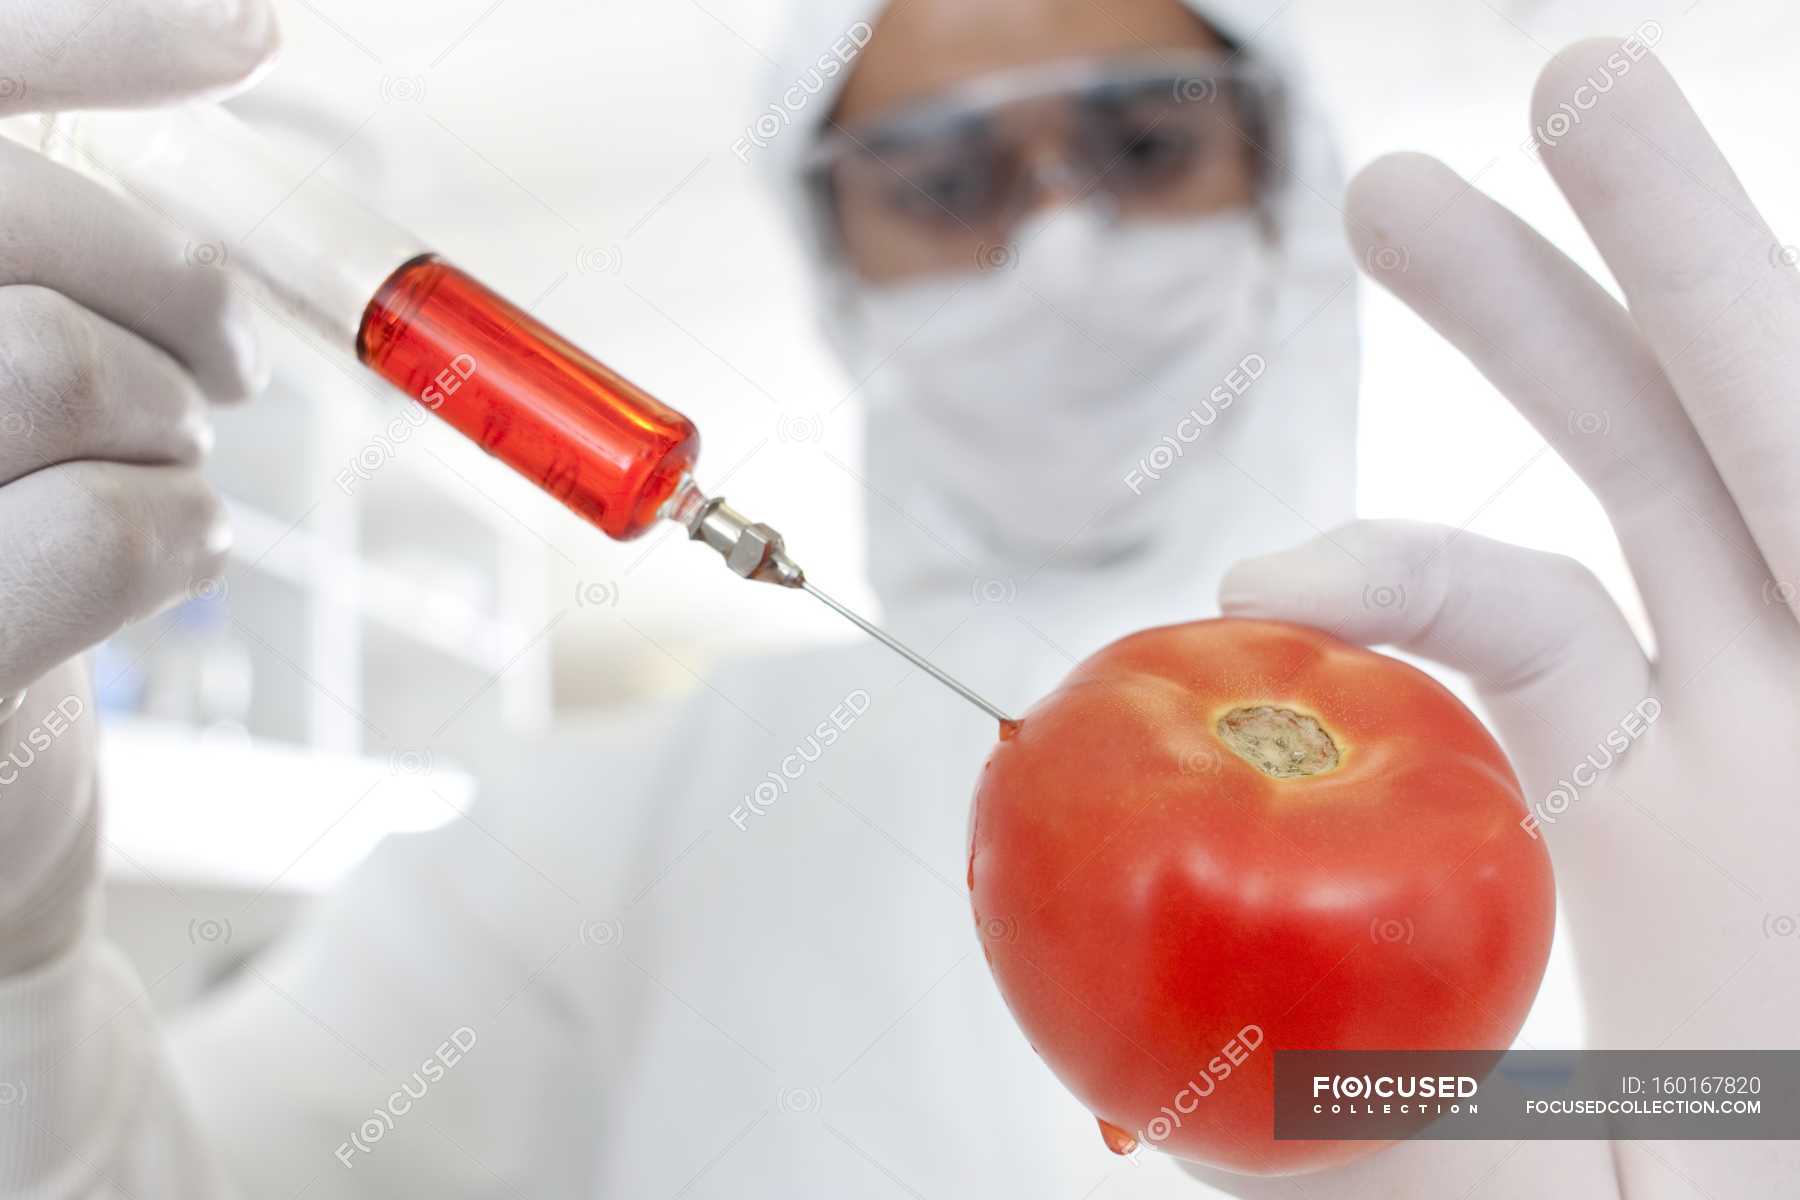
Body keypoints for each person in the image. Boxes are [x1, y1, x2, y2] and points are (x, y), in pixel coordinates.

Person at [0, 0, 1795, 1196]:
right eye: (941, 181)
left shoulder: (1625, 774)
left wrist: (1767, 1105)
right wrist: (11, 963)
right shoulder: (633, 823)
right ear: (841, 270)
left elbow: (1612, 1122)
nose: (1061, 237)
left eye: (1148, 139)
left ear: (1280, 183)